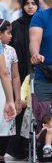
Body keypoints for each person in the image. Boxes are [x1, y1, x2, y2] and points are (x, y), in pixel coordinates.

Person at [7, 0, 39, 160]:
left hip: (39, 73)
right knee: (19, 110)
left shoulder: (42, 24)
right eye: (27, 3)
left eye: (34, 3)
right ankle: (18, 149)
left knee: (36, 112)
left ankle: (35, 146)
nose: (30, 6)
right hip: (18, 74)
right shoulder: (15, 25)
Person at [0, 19, 22, 163]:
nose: (11, 36)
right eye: (8, 33)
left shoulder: (11, 51)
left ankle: (1, 155)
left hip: (6, 89)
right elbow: (4, 73)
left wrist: (17, 98)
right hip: (3, 90)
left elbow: (14, 75)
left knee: (6, 123)